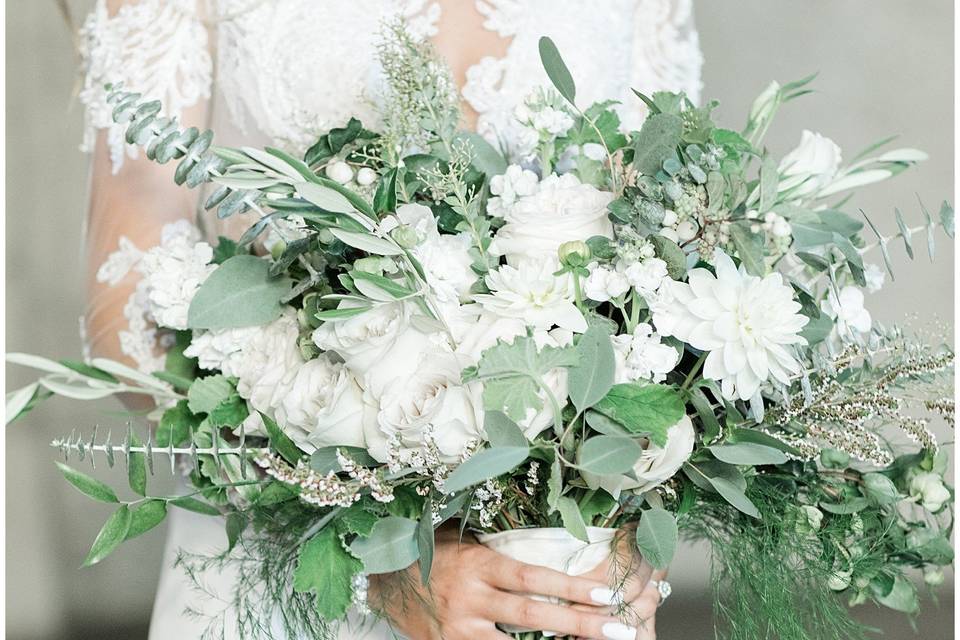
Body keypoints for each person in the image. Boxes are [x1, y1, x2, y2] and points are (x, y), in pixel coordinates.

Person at [79, 1, 703, 638]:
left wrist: (628, 498)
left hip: (565, 569)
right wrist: (371, 557)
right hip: (292, 570)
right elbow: (128, 316)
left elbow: (672, 240)